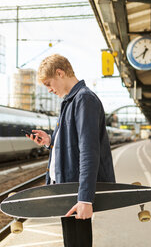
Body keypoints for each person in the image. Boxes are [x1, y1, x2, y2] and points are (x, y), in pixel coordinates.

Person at [25, 54, 115, 247]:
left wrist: (85, 198)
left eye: (49, 84)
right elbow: (73, 145)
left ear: (60, 73)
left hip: (75, 190)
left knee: (78, 243)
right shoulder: (70, 101)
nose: (49, 90)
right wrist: (51, 142)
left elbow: (89, 150)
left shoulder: (84, 100)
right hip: (66, 186)